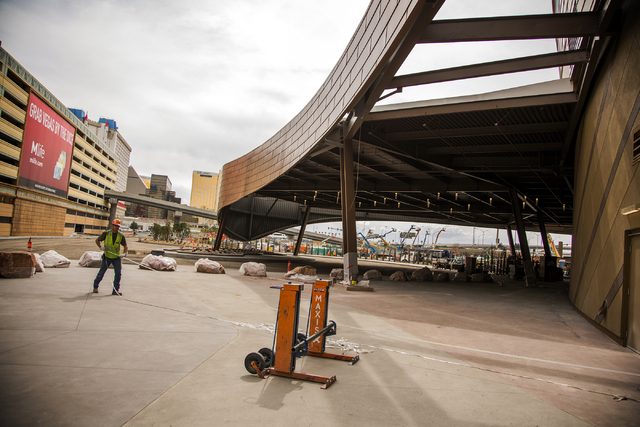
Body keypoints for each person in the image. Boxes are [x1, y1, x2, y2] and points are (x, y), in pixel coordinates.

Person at [92, 219, 128, 295]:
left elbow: (125, 246)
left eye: (118, 226)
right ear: (112, 225)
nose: (117, 227)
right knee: (101, 273)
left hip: (116, 258)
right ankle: (95, 287)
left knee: (118, 274)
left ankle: (115, 290)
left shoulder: (120, 235)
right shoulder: (106, 233)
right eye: (115, 226)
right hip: (107, 257)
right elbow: (97, 240)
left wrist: (124, 253)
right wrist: (100, 247)